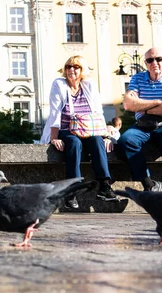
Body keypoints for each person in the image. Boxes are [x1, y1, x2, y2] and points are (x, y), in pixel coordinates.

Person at [40, 55, 117, 207]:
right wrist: (54, 137)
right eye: (68, 66)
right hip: (65, 129)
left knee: (97, 141)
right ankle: (72, 191)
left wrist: (106, 136)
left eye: (76, 67)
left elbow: (98, 112)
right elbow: (55, 112)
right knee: (74, 143)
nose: (71, 70)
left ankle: (104, 186)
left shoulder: (89, 85)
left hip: (88, 129)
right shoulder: (59, 84)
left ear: (82, 70)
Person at [117, 47, 162, 192]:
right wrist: (157, 102)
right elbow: (128, 104)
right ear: (145, 63)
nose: (154, 63)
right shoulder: (138, 78)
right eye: (150, 60)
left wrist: (142, 106)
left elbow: (135, 104)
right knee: (126, 140)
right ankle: (149, 185)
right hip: (143, 124)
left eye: (158, 59)